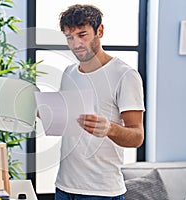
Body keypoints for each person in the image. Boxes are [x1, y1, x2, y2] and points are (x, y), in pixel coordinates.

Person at [54, 4, 145, 200]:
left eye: (82, 34)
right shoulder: (69, 73)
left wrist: (110, 128)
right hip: (64, 187)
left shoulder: (125, 75)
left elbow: (137, 136)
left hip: (101, 192)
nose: (76, 43)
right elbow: (67, 122)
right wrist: (46, 112)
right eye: (70, 37)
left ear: (100, 31)